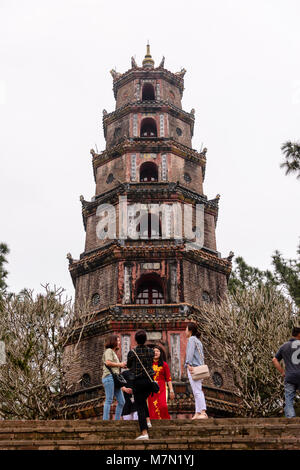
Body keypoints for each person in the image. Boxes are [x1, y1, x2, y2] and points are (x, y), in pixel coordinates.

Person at [127, 330, 155, 440]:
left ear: (135, 340)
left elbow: (129, 366)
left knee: (140, 407)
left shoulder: (132, 352)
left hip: (137, 382)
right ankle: (148, 422)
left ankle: (144, 433)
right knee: (143, 401)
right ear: (145, 339)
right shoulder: (151, 352)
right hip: (149, 381)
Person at [102, 334, 132, 420]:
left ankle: (117, 420)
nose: (119, 342)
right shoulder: (108, 351)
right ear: (113, 341)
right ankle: (105, 420)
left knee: (122, 401)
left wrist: (121, 365)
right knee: (109, 399)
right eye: (118, 340)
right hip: (109, 377)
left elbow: (114, 366)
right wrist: (120, 364)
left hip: (114, 378)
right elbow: (108, 362)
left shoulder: (113, 353)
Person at [272, 326, 300, 418]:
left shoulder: (284, 346)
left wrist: (282, 372)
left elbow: (274, 360)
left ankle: (291, 419)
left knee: (289, 399)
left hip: (290, 376)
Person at [184, 322, 208, 419]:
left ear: (190, 330)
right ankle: (197, 412)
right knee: (196, 390)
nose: (185, 331)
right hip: (199, 368)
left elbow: (189, 353)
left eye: (186, 329)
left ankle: (203, 411)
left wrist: (188, 364)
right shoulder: (198, 340)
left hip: (194, 368)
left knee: (197, 391)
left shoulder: (192, 339)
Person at [147, 345, 175, 420]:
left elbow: (168, 378)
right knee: (152, 406)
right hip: (151, 389)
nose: (155, 352)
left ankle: (165, 422)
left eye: (157, 351)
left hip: (162, 389)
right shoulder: (148, 364)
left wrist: (171, 390)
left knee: (163, 406)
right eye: (154, 351)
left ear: (160, 353)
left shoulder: (164, 364)